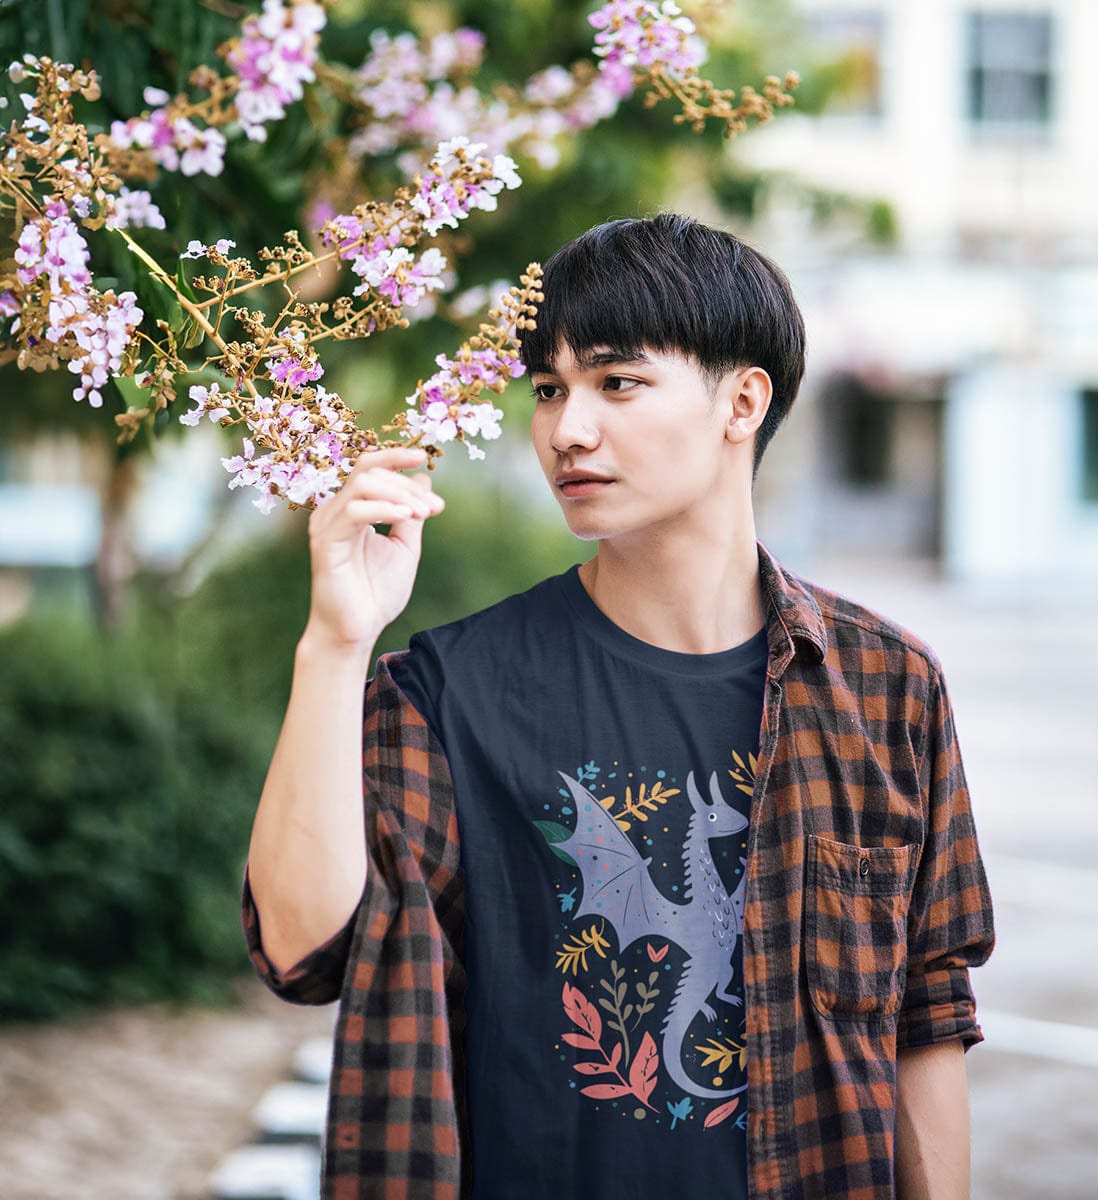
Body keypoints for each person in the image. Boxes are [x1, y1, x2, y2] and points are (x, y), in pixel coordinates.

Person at [241, 212, 995, 1200]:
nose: (568, 429)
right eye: (549, 389)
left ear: (742, 401)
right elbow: (303, 953)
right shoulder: (450, 692)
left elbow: (926, 1014)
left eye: (617, 381)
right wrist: (336, 644)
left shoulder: (885, 686)